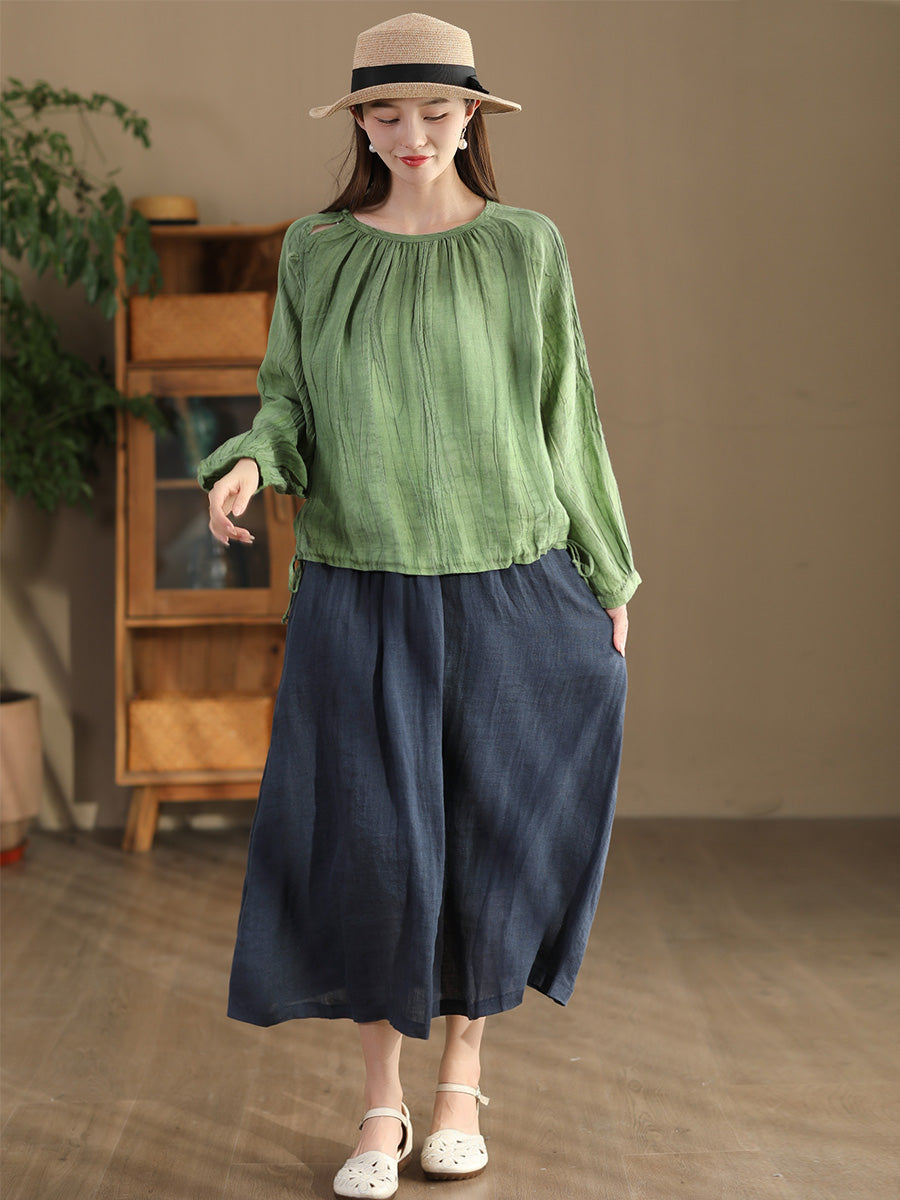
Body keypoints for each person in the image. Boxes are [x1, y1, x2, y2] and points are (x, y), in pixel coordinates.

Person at [198, 12, 641, 1199]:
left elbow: (567, 413)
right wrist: (247, 462)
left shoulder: (525, 247)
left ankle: (460, 1086)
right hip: (360, 586)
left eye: (436, 112)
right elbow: (286, 401)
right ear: (358, 122)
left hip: (511, 582)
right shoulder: (316, 251)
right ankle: (380, 1106)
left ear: (471, 117)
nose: (412, 134)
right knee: (375, 850)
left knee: (488, 839)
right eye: (385, 113)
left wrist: (608, 571)